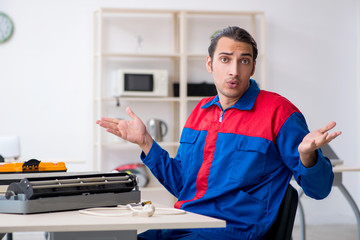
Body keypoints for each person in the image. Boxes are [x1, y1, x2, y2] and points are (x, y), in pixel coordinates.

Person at [96, 26, 341, 240]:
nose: (234, 70)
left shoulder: (280, 112)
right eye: (225, 59)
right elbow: (183, 185)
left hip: (231, 231)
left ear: (253, 67)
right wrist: (146, 142)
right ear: (210, 64)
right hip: (184, 223)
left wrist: (308, 156)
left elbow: (319, 190)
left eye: (244, 61)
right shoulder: (200, 112)